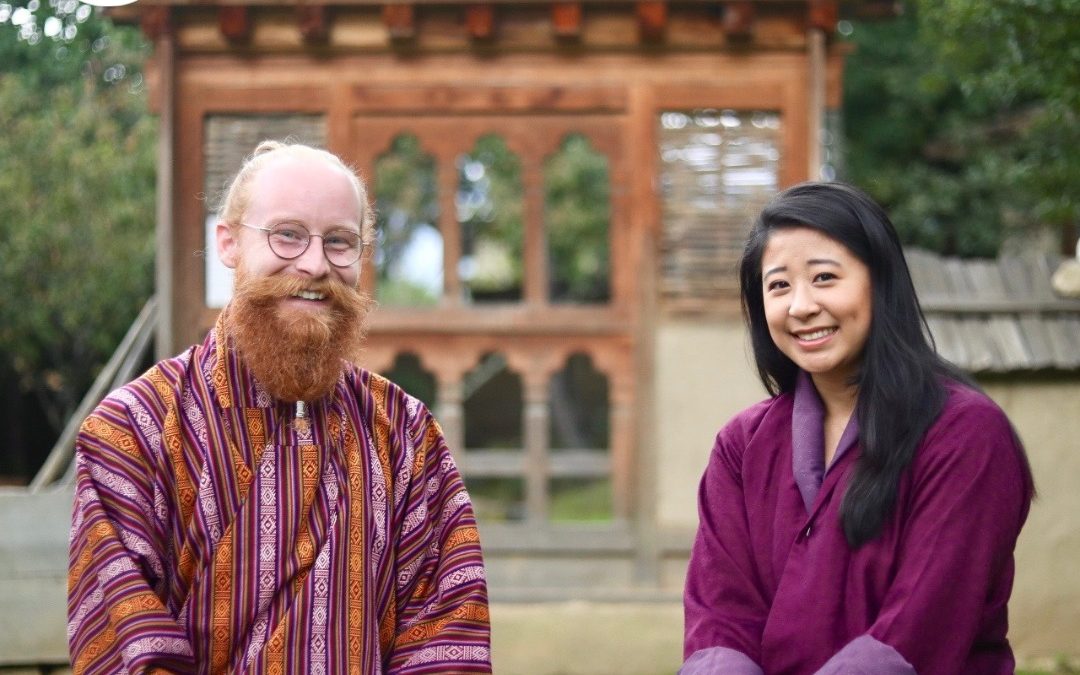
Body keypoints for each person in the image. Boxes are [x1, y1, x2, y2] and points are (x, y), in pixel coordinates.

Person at [67, 141, 491, 673]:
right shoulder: (133, 432)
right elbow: (127, 645)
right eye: (287, 235)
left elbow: (446, 632)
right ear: (228, 243)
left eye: (340, 242)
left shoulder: (405, 435)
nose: (315, 264)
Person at [682, 182, 1034, 674]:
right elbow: (721, 620)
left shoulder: (964, 434)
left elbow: (918, 631)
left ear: (879, 282)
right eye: (778, 285)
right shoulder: (742, 447)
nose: (800, 305)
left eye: (824, 277)